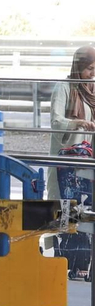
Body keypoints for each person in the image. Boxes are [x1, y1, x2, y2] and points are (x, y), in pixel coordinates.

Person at [51, 46, 95, 204]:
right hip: (65, 162)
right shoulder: (64, 87)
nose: (93, 74)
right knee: (64, 207)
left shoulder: (91, 90)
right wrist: (77, 123)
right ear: (79, 66)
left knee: (84, 206)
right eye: (89, 68)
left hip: (86, 160)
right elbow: (56, 122)